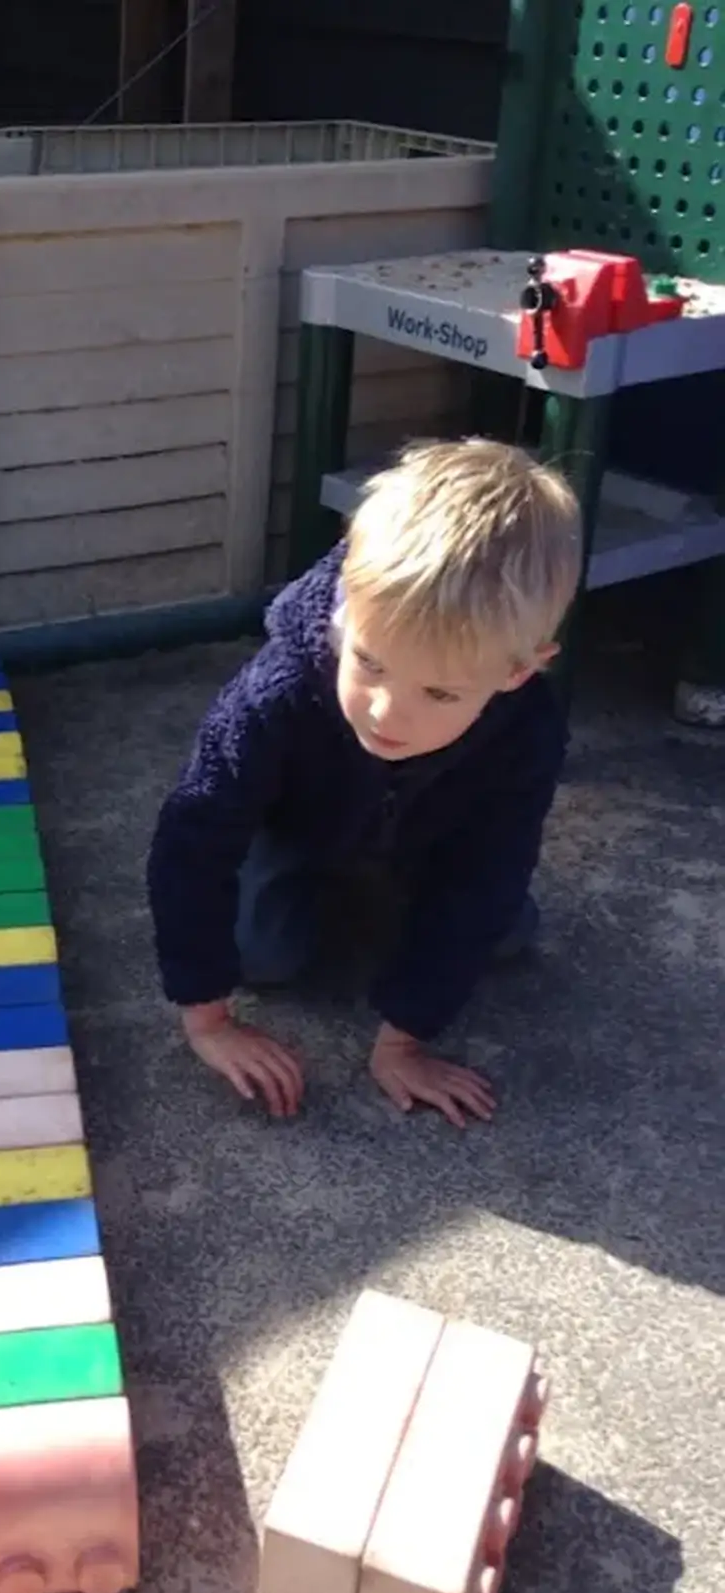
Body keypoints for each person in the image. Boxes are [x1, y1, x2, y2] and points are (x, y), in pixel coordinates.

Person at [146, 437, 582, 1129]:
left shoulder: (527, 730)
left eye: (438, 693)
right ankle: (347, 892)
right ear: (348, 603)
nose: (386, 712)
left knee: (499, 927)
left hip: (428, 838)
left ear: (517, 672)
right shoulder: (276, 694)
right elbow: (193, 836)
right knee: (262, 956)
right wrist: (207, 1019)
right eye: (371, 665)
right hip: (298, 830)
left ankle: (392, 907)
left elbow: (489, 870)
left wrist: (404, 1040)